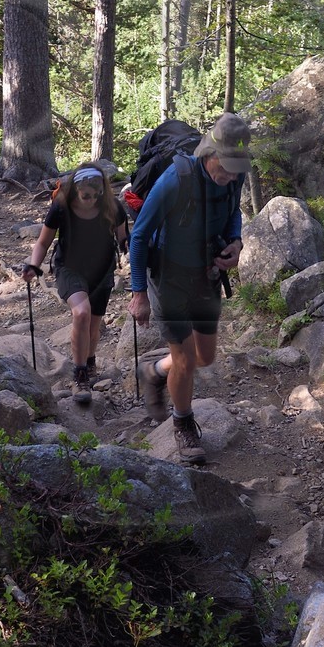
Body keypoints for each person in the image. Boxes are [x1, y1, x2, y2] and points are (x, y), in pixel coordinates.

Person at [127, 112, 252, 464]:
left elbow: (233, 212)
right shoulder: (176, 178)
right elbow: (139, 236)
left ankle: (154, 372)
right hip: (167, 276)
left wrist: (236, 242)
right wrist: (139, 294)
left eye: (236, 170)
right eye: (225, 168)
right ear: (208, 154)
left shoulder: (235, 176)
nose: (231, 177)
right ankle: (183, 424)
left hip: (206, 271)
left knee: (205, 357)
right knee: (184, 359)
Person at [22, 164, 129, 406]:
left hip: (102, 270)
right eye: (86, 196)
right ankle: (79, 375)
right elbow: (43, 242)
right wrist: (34, 265)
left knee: (93, 326)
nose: (91, 200)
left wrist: (129, 248)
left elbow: (123, 238)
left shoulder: (112, 207)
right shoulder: (61, 206)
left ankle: (89, 362)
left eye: (96, 195)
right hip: (69, 268)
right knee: (81, 312)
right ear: (76, 190)